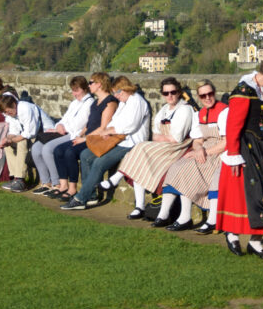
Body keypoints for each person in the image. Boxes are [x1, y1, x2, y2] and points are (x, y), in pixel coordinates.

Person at [216, 51, 263, 260]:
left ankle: (255, 241)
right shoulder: (243, 92)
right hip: (246, 149)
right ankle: (232, 233)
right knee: (244, 195)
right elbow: (234, 126)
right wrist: (233, 154)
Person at [60, 75, 150, 211]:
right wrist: (108, 130)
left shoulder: (137, 101)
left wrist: (110, 130)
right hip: (118, 139)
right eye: (115, 93)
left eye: (118, 92)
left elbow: (131, 125)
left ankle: (80, 198)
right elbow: (115, 120)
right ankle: (91, 196)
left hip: (131, 142)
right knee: (85, 155)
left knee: (99, 163)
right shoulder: (125, 102)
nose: (116, 96)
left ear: (124, 90)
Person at [115, 76, 195, 221]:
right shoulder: (164, 109)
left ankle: (118, 177)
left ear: (178, 92)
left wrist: (162, 137)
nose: (169, 96)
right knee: (140, 158)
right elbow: (155, 133)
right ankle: (139, 206)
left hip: (177, 149)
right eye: (166, 93)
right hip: (164, 146)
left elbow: (176, 138)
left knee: (140, 148)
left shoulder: (185, 110)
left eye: (173, 92)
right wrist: (163, 137)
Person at [156, 79, 229, 232]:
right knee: (177, 166)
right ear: (199, 97)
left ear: (215, 93)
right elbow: (197, 140)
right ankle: (165, 214)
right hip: (205, 149)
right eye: (203, 96)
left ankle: (185, 217)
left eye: (210, 94)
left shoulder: (224, 111)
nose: (207, 98)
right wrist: (198, 149)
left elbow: (226, 142)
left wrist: (206, 152)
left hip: (219, 152)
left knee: (189, 168)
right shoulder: (199, 114)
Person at [49, 72, 118, 202]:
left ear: (99, 84)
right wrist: (80, 134)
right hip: (87, 136)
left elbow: (103, 128)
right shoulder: (96, 102)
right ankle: (64, 185)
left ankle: (73, 188)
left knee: (70, 152)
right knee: (58, 150)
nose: (89, 85)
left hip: (97, 139)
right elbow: (89, 124)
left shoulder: (110, 102)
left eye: (91, 82)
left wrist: (84, 138)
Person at [31, 76, 93, 196]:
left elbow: (79, 124)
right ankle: (45, 182)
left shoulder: (89, 103)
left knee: (48, 149)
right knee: (36, 148)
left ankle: (57, 183)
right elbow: (64, 119)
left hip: (72, 134)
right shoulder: (75, 103)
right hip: (62, 131)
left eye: (77, 90)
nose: (74, 93)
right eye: (73, 90)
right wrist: (59, 126)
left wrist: (63, 128)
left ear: (85, 89)